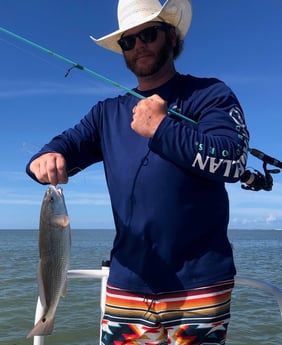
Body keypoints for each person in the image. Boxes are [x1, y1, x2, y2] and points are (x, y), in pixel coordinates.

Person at [26, 0, 249, 344]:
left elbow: (233, 160)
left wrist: (162, 129)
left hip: (200, 287)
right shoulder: (106, 114)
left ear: (172, 37)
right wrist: (45, 157)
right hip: (127, 286)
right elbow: (65, 144)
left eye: (148, 34)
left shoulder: (209, 95)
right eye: (128, 41)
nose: (138, 45)